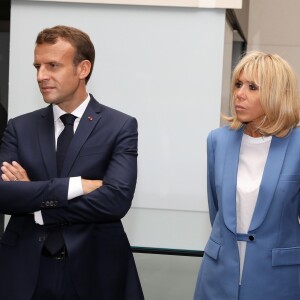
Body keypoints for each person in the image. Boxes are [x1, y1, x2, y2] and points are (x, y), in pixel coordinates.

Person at [0, 25, 144, 300]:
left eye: (53, 65)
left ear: (83, 69)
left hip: (95, 271)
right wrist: (74, 186)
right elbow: (3, 193)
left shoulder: (120, 126)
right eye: (37, 67)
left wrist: (37, 204)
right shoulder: (20, 127)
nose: (41, 76)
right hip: (25, 270)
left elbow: (116, 199)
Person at [194, 51, 300, 299]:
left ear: (276, 94)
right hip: (217, 276)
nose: (240, 93)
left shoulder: (297, 145)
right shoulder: (217, 140)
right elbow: (217, 211)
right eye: (238, 84)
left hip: (278, 279)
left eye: (253, 87)